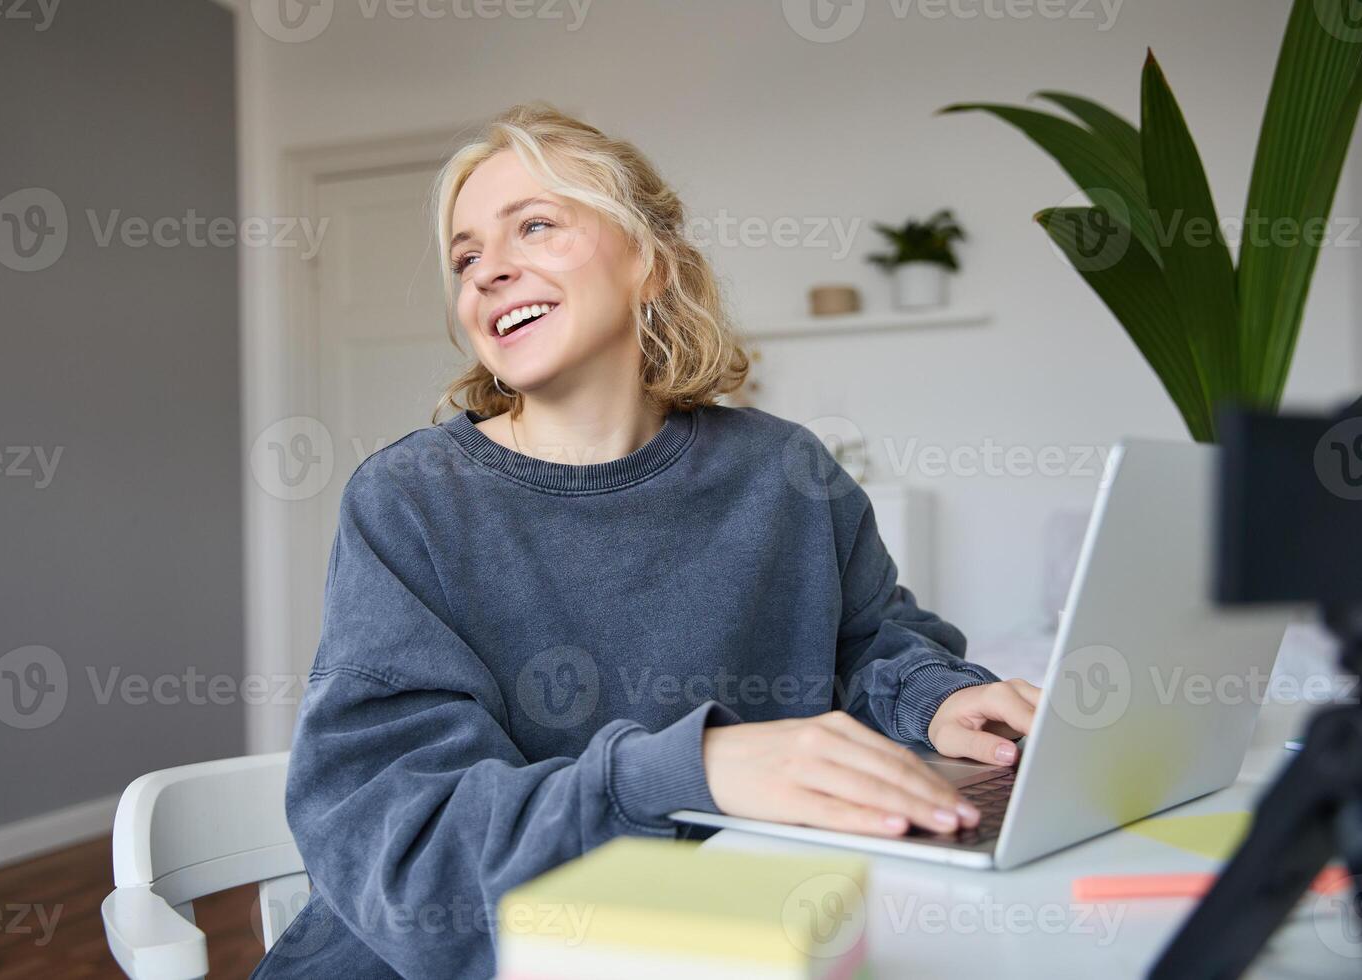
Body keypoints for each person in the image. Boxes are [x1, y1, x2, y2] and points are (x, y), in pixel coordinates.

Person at [250, 102, 1041, 980]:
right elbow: (404, 846)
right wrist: (686, 772)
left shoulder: (785, 472)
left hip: (731, 937)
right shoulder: (410, 502)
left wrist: (931, 698)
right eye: (465, 256)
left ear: (651, 263)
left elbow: (870, 647)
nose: (486, 273)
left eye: (535, 226)